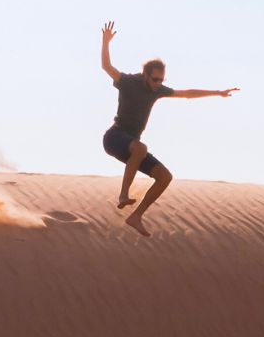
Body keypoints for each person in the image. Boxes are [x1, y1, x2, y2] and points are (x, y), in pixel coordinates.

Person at [100, 22, 238, 236]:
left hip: (133, 147)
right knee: (140, 148)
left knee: (165, 176)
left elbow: (187, 93)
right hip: (114, 138)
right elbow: (107, 67)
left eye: (161, 80)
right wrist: (105, 42)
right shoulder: (128, 82)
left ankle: (136, 216)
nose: (158, 83)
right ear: (145, 74)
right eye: (155, 79)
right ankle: (123, 195)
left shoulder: (157, 90)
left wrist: (217, 92)